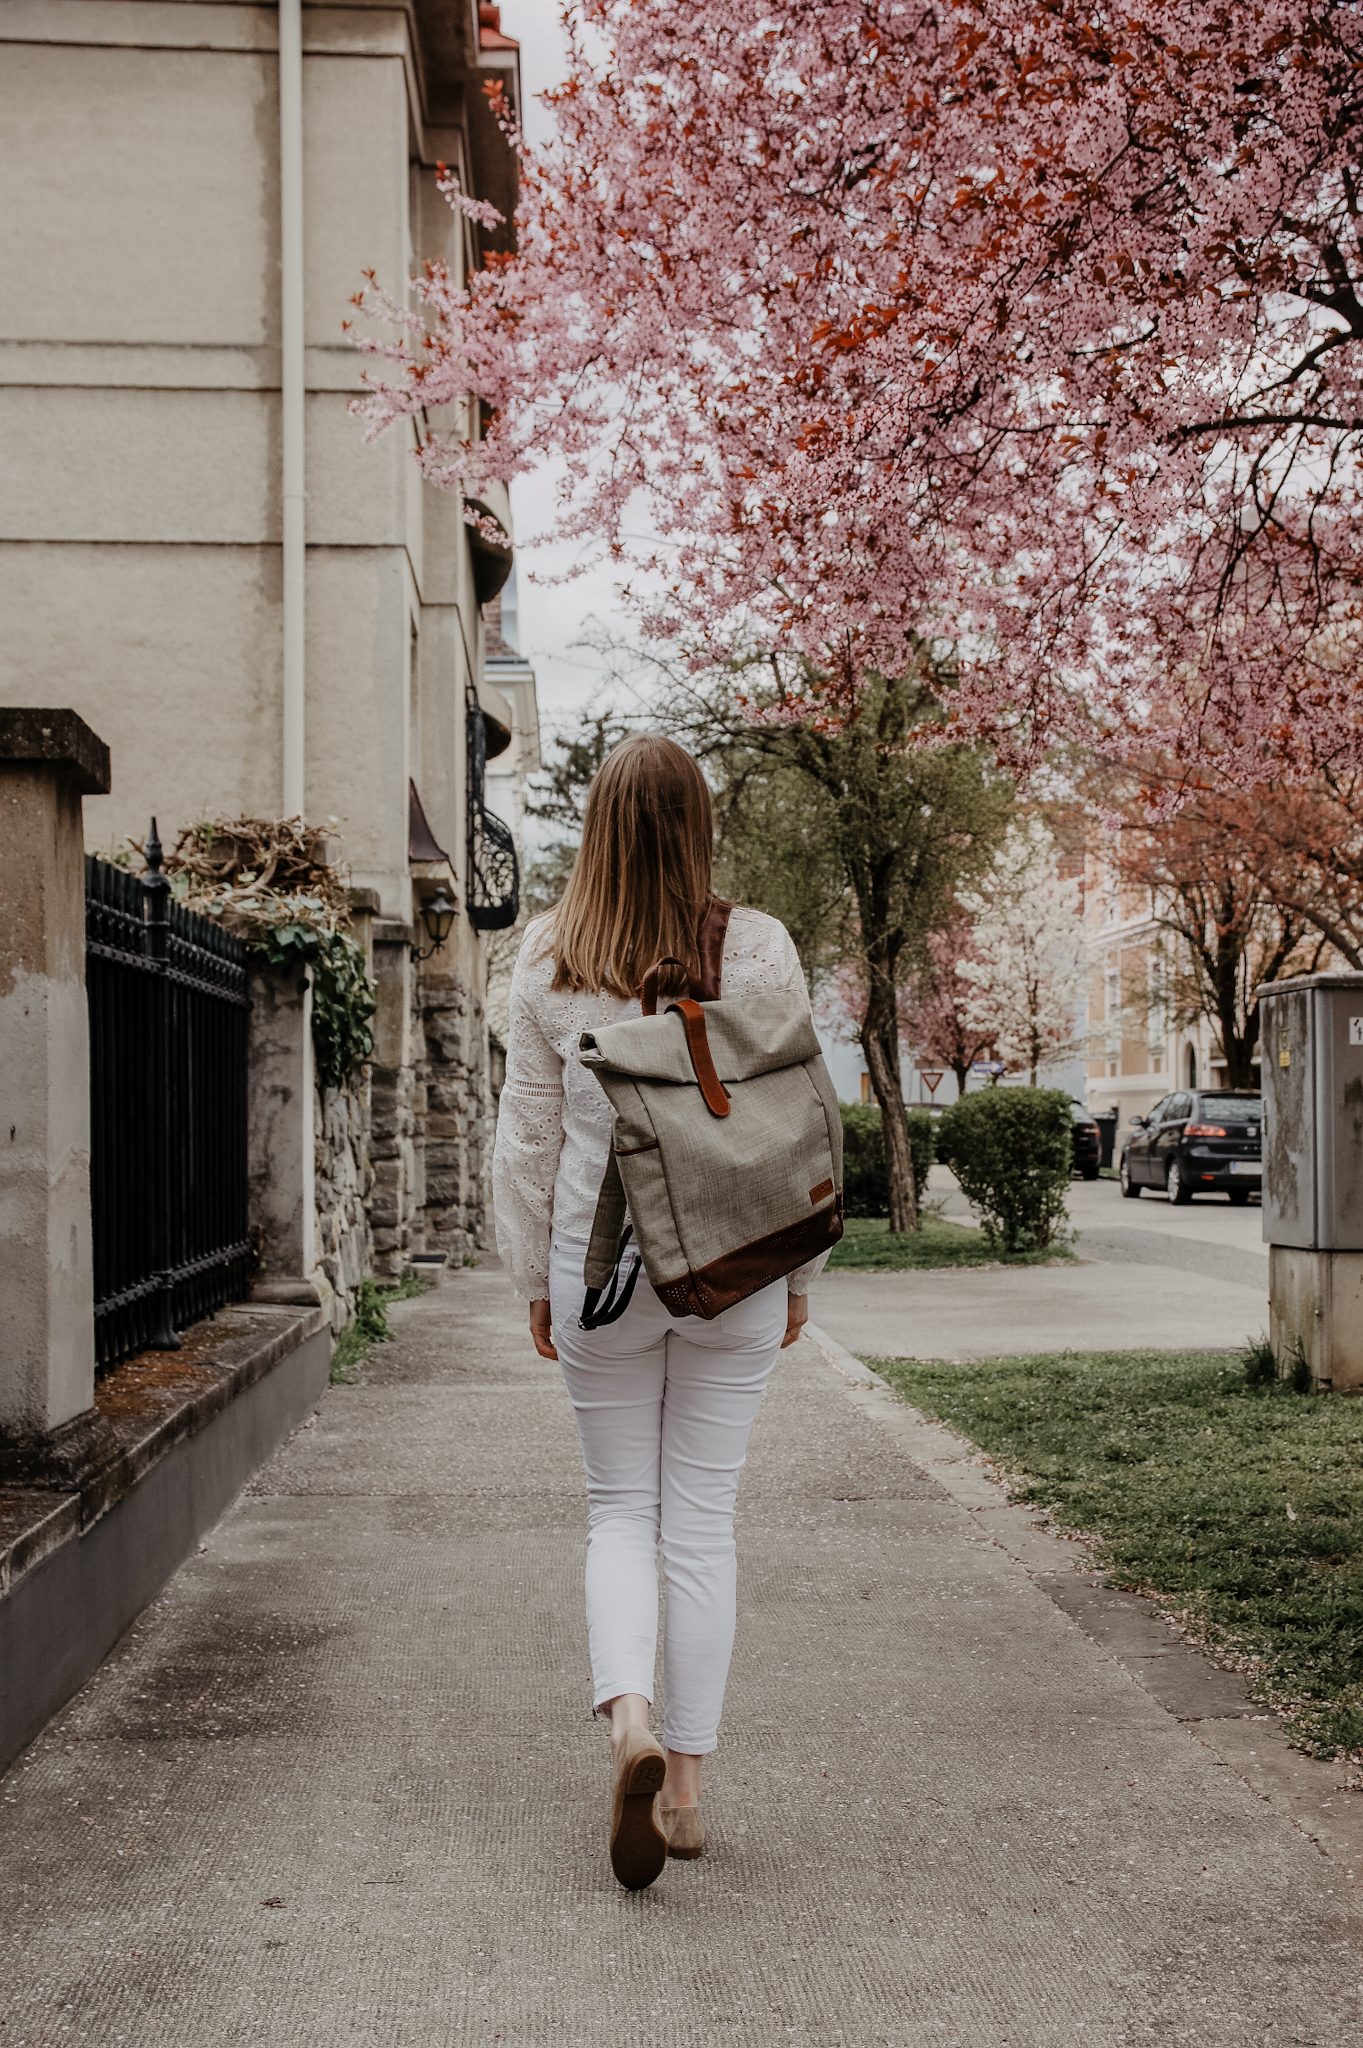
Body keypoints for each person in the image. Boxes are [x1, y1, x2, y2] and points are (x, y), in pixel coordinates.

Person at [491, 734, 829, 1890]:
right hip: (730, 1265)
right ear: (700, 824)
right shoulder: (761, 949)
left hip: (600, 1271)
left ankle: (627, 1714)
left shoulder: (544, 956)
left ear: (595, 825)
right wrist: (798, 1280)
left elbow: (527, 1142)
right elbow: (792, 1125)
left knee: (616, 1511)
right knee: (702, 1518)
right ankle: (682, 1788)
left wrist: (529, 1279)